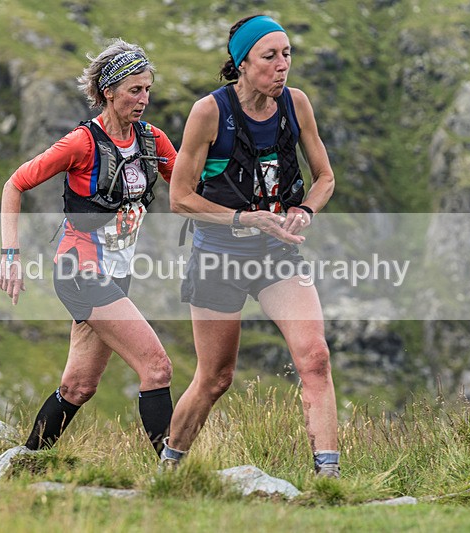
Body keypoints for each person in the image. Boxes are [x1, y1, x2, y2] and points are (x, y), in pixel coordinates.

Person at [165, 15, 340, 477]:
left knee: (316, 358)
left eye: (287, 54)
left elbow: (325, 178)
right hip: (218, 256)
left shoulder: (296, 105)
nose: (283, 65)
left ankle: (329, 478)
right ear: (242, 63)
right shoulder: (210, 112)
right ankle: (169, 467)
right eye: (270, 56)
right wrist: (245, 217)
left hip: (276, 255)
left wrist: (304, 211)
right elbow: (180, 198)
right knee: (215, 378)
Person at [0, 39, 177, 458]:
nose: (144, 98)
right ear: (108, 92)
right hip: (80, 271)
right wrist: (11, 255)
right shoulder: (80, 143)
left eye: (148, 89)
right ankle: (177, 475)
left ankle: (25, 463)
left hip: (117, 272)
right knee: (157, 367)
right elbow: (15, 184)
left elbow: (192, 185)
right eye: (134, 90)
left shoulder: (153, 141)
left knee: (78, 386)